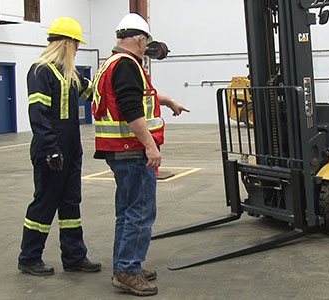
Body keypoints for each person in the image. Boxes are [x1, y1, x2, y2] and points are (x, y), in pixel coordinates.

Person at [92, 13, 189, 296]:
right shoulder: (126, 65)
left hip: (118, 150)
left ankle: (124, 265)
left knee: (127, 211)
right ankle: (128, 271)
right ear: (138, 38)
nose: (147, 47)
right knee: (140, 211)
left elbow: (134, 97)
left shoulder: (111, 63)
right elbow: (130, 109)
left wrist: (167, 100)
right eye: (146, 41)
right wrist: (149, 145)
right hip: (131, 151)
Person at [18, 17, 101, 276]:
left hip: (72, 149)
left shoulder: (71, 74)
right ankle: (29, 257)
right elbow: (38, 115)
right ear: (66, 43)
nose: (77, 49)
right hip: (50, 151)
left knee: (70, 204)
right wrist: (50, 149)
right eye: (76, 44)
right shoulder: (40, 71)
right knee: (44, 203)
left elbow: (95, 93)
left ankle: (74, 256)